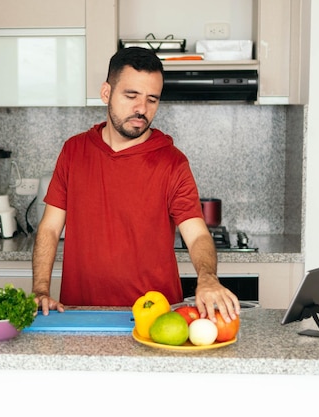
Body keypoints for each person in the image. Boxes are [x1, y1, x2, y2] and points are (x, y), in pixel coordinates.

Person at [32, 47, 240, 323]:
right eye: (131, 96)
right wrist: (40, 289)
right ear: (106, 93)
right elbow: (49, 228)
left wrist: (208, 278)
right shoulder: (73, 151)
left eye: (152, 99)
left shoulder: (172, 163)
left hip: (156, 321)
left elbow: (197, 235)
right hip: (80, 316)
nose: (142, 109)